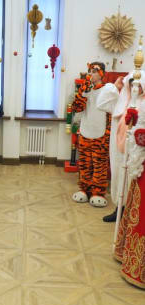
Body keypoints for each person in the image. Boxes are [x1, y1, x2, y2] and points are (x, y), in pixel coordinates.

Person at [97, 71, 145, 221]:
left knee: (133, 180)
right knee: (119, 177)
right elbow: (101, 104)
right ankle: (119, 209)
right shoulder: (122, 100)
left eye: (138, 85)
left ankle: (131, 214)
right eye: (131, 85)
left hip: (136, 151)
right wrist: (114, 87)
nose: (135, 88)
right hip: (118, 148)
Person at [114, 79, 145, 288]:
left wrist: (137, 133)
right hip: (138, 161)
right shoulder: (135, 101)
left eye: (139, 85)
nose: (136, 88)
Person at [72, 62, 110, 207]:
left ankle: (98, 192)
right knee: (85, 163)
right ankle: (85, 190)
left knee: (99, 165)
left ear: (102, 73)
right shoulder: (85, 88)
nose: (91, 73)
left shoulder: (107, 90)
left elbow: (111, 112)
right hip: (85, 131)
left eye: (94, 71)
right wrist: (82, 93)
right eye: (90, 71)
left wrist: (108, 133)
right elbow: (77, 108)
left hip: (100, 133)